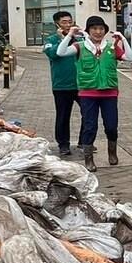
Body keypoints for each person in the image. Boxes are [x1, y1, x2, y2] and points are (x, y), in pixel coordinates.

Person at [56, 14, 126, 171]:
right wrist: (70, 35)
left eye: (101, 28)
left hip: (109, 93)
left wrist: (123, 38)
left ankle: (112, 152)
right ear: (88, 31)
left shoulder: (111, 47)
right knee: (90, 126)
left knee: (111, 126)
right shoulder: (80, 46)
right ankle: (88, 159)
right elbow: (60, 52)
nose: (98, 32)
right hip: (88, 93)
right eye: (94, 28)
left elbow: (130, 57)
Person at [43, 11, 79, 157]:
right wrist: (60, 38)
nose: (68, 25)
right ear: (57, 24)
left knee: (89, 113)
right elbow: (53, 54)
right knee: (63, 116)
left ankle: (84, 142)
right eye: (64, 22)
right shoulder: (51, 39)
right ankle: (63, 144)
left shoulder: (77, 39)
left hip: (81, 84)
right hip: (61, 85)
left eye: (70, 21)